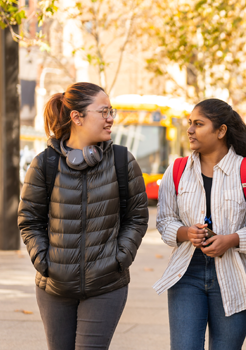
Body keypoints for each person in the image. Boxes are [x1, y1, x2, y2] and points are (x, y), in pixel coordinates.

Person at [18, 82, 149, 350]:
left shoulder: (123, 161)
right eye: (103, 112)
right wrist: (44, 261)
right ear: (77, 117)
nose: (110, 118)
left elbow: (137, 217)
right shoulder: (45, 163)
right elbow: (30, 219)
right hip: (54, 287)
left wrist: (119, 258)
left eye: (111, 111)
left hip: (106, 285)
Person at [154, 99, 246, 350]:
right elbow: (164, 221)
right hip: (187, 273)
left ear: (221, 131)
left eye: (199, 124)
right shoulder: (178, 170)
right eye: (190, 124)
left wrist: (231, 240)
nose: (190, 130)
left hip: (234, 274)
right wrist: (185, 233)